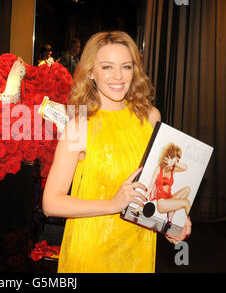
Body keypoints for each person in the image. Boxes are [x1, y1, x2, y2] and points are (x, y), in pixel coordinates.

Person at [42, 31, 191, 273]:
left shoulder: (150, 117)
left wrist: (172, 222)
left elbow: (156, 185)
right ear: (91, 72)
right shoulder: (79, 124)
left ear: (135, 70)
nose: (118, 76)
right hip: (92, 253)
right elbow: (51, 202)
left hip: (138, 248)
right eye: (107, 67)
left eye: (126, 66)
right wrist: (112, 204)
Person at [145, 143, 191, 232]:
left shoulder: (173, 169)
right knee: (186, 202)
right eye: (176, 158)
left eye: (178, 159)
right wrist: (140, 205)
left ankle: (169, 219)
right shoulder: (159, 169)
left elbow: (186, 168)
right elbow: (150, 188)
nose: (177, 160)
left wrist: (174, 164)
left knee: (187, 189)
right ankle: (189, 225)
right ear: (171, 155)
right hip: (162, 203)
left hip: (169, 199)